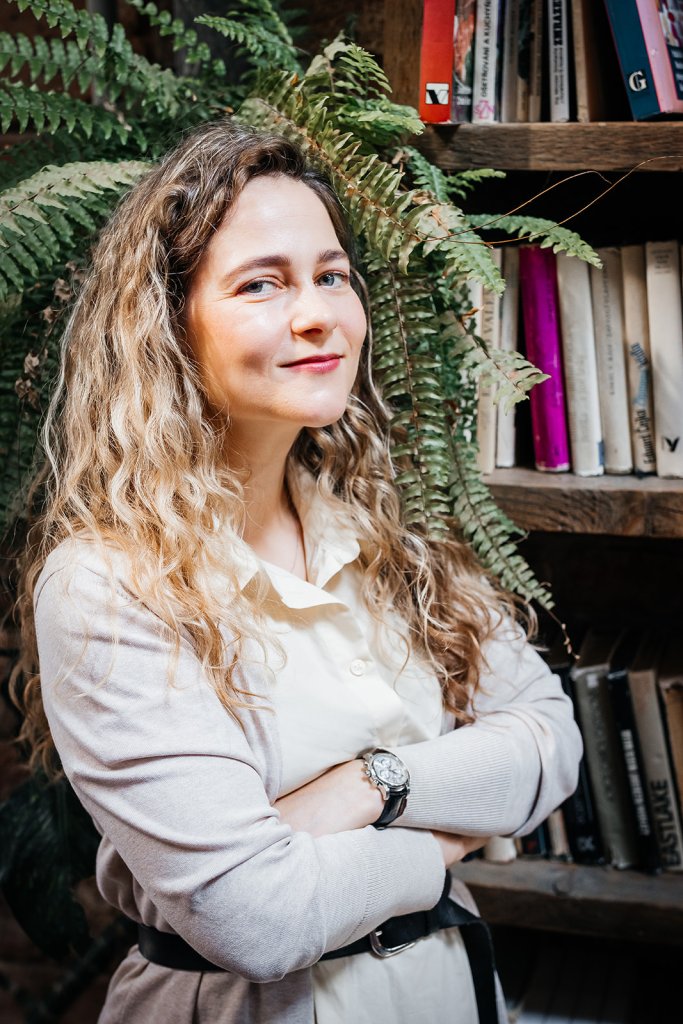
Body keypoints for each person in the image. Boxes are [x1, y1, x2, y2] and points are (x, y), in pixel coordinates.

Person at [14, 121, 582, 1024]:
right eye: (261, 283)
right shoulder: (109, 582)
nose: (318, 314)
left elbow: (549, 743)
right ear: (166, 326)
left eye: (331, 275)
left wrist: (371, 786)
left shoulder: (386, 526)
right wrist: (448, 838)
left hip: (442, 992)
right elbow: (259, 920)